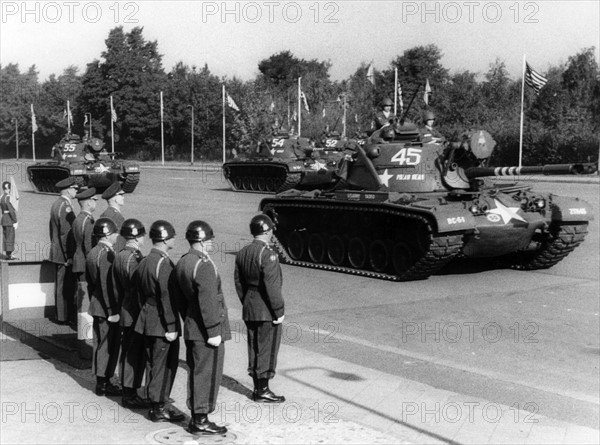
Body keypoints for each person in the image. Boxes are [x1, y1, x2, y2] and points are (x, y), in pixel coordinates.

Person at [174, 221, 230, 435]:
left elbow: (180, 298)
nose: (212, 242)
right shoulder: (204, 264)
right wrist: (214, 330)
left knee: (197, 371)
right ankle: (201, 419)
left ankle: (198, 416)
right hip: (207, 330)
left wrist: (188, 318)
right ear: (201, 241)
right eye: (209, 239)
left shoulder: (184, 261)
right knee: (208, 373)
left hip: (192, 325)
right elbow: (208, 301)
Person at [134, 220, 184, 422]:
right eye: (172, 236)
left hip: (147, 318)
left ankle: (153, 398)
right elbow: (167, 297)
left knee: (152, 363)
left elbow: (139, 292)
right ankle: (159, 406)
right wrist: (171, 326)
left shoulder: (145, 260)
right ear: (164, 239)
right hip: (162, 322)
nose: (174, 239)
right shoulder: (163, 264)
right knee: (164, 366)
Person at [234, 214, 285, 403]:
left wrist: (247, 302)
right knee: (267, 348)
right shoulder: (268, 254)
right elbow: (272, 287)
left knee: (254, 347)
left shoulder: (243, 252)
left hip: (250, 306)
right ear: (268, 231)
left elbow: (239, 283)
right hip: (266, 309)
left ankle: (257, 386)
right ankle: (263, 390)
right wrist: (278, 311)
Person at [112, 218, 149, 409]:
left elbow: (116, 286)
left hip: (125, 309)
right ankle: (130, 392)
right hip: (135, 312)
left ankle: (128, 389)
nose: (143, 238)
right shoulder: (133, 257)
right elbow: (138, 287)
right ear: (136, 237)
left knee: (127, 351)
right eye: (142, 235)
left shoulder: (120, 255)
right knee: (134, 354)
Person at [86, 216, 122, 397]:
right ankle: (104, 382)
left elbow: (91, 283)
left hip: (96, 304)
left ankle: (102, 380)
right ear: (108, 235)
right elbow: (108, 285)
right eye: (115, 233)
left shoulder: (93, 252)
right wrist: (113, 311)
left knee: (100, 343)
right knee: (108, 345)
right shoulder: (106, 255)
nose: (117, 236)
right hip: (107, 308)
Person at [49, 177, 78, 324]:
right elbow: (66, 234)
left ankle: (60, 315)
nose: (76, 191)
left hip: (57, 251)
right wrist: (69, 256)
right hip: (63, 254)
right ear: (68, 189)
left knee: (60, 285)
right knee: (65, 286)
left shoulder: (56, 204)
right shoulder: (66, 207)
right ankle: (63, 317)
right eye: (74, 188)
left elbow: (53, 231)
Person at [100, 182, 126, 251]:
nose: (123, 197)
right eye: (121, 195)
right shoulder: (115, 216)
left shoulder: (106, 213)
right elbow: (119, 240)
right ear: (115, 199)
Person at [1, 181, 18, 260]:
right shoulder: (8, 198)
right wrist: (15, 221)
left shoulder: (1, 197)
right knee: (10, 237)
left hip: (4, 218)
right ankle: (9, 255)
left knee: (5, 237)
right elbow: (11, 211)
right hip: (9, 219)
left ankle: (8, 254)